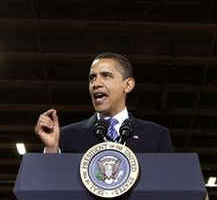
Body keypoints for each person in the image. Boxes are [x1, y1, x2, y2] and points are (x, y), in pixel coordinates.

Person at [35, 52, 174, 153]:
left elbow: (169, 184)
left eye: (106, 76)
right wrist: (52, 149)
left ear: (128, 85)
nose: (96, 84)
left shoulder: (157, 135)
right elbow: (52, 184)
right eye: (92, 78)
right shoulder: (67, 136)